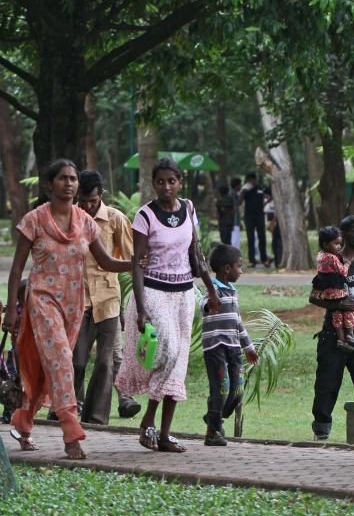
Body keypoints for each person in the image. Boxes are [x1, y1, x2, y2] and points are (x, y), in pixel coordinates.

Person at [2, 159, 132, 459]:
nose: (69, 183)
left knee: (48, 369)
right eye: (63, 178)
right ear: (50, 184)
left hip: (74, 305)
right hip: (42, 302)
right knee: (62, 361)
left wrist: (135, 263)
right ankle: (72, 433)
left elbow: (106, 262)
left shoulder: (85, 221)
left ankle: (22, 422)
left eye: (73, 178)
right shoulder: (34, 220)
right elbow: (17, 267)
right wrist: (11, 309)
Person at [116, 157, 221, 453]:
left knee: (179, 361)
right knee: (169, 351)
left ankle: (163, 434)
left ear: (180, 182)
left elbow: (195, 252)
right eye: (160, 181)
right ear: (153, 183)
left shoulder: (188, 209)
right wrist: (140, 307)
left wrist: (211, 291)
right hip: (154, 292)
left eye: (171, 181)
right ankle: (148, 417)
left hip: (184, 294)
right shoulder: (144, 215)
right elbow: (137, 264)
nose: (166, 187)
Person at [72, 170, 141, 425]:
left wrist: (139, 302)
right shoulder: (71, 218)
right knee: (76, 362)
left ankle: (97, 419)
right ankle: (65, 408)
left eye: (92, 200)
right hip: (78, 301)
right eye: (83, 201)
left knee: (104, 364)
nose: (87, 206)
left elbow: (131, 260)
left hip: (108, 300)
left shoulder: (115, 219)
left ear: (101, 195)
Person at [309, 215, 354, 440]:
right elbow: (314, 296)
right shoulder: (332, 262)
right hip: (333, 333)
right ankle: (321, 430)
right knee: (327, 384)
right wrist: (338, 304)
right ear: (345, 235)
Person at [200, 244, 259, 446]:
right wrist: (209, 302)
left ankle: (213, 416)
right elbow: (203, 306)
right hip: (215, 348)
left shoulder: (232, 292)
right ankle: (212, 431)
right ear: (227, 268)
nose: (241, 271)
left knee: (238, 389)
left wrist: (248, 347)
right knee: (222, 389)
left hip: (233, 348)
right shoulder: (212, 289)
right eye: (239, 266)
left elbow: (237, 322)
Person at [311, 226, 354, 353]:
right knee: (348, 308)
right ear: (326, 244)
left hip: (324, 289)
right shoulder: (332, 258)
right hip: (335, 289)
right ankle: (350, 334)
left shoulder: (320, 255)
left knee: (336, 312)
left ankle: (340, 339)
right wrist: (347, 263)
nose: (339, 247)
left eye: (340, 243)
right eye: (336, 244)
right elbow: (342, 272)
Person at [2, 281, 24, 424]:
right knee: (10, 383)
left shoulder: (35, 311)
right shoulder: (15, 310)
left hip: (27, 355)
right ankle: (8, 411)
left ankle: (20, 414)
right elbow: (5, 326)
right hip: (15, 354)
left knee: (22, 385)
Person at [239, 172, 270, 268]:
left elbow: (270, 194)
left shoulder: (261, 187)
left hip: (260, 215)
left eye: (253, 180)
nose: (251, 182)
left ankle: (264, 260)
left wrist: (265, 204)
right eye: (249, 180)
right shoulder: (246, 189)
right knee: (250, 238)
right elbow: (239, 202)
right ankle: (252, 261)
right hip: (249, 216)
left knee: (262, 238)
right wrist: (243, 190)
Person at [264, 188, 282, 269]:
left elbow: (277, 214)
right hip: (276, 225)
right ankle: (277, 262)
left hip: (278, 225)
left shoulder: (276, 203)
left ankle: (278, 262)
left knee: (277, 245)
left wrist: (272, 223)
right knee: (275, 245)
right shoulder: (270, 203)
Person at [230, 178, 242, 250]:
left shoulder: (236, 195)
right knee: (234, 240)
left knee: (236, 240)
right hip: (233, 221)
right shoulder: (231, 195)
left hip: (236, 221)